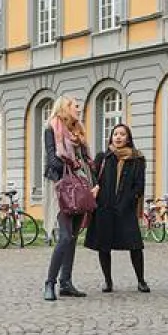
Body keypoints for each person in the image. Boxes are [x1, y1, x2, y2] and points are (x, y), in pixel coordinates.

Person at [86, 123, 149, 293]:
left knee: (135, 245)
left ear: (128, 138)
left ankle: (141, 280)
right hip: (104, 208)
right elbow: (93, 179)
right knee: (103, 245)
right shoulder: (104, 157)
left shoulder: (137, 158)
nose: (118, 137)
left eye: (122, 134)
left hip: (126, 208)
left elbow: (140, 185)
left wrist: (129, 200)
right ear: (111, 137)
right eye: (115, 134)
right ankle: (108, 281)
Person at [43, 96, 94, 301]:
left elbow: (86, 161)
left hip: (78, 187)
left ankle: (66, 283)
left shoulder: (78, 132)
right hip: (60, 186)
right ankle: (50, 283)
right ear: (64, 108)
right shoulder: (52, 128)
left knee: (72, 237)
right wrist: (72, 167)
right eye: (75, 106)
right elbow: (52, 158)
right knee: (64, 236)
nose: (78, 110)